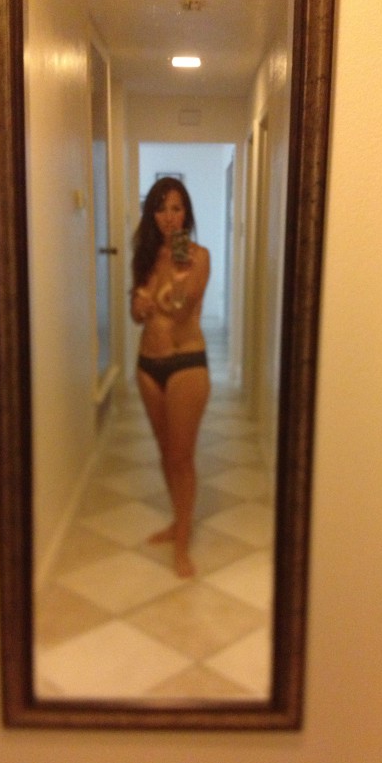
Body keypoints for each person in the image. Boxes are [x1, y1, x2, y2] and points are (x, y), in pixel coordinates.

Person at [130, 177, 210, 577]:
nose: (169, 217)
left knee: (182, 455)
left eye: (176, 208)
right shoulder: (144, 256)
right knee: (165, 453)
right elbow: (136, 315)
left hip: (186, 364)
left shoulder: (198, 256)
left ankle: (182, 542)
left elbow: (181, 311)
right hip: (148, 365)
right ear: (152, 215)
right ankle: (178, 521)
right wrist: (139, 306)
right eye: (161, 209)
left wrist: (179, 275)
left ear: (186, 214)